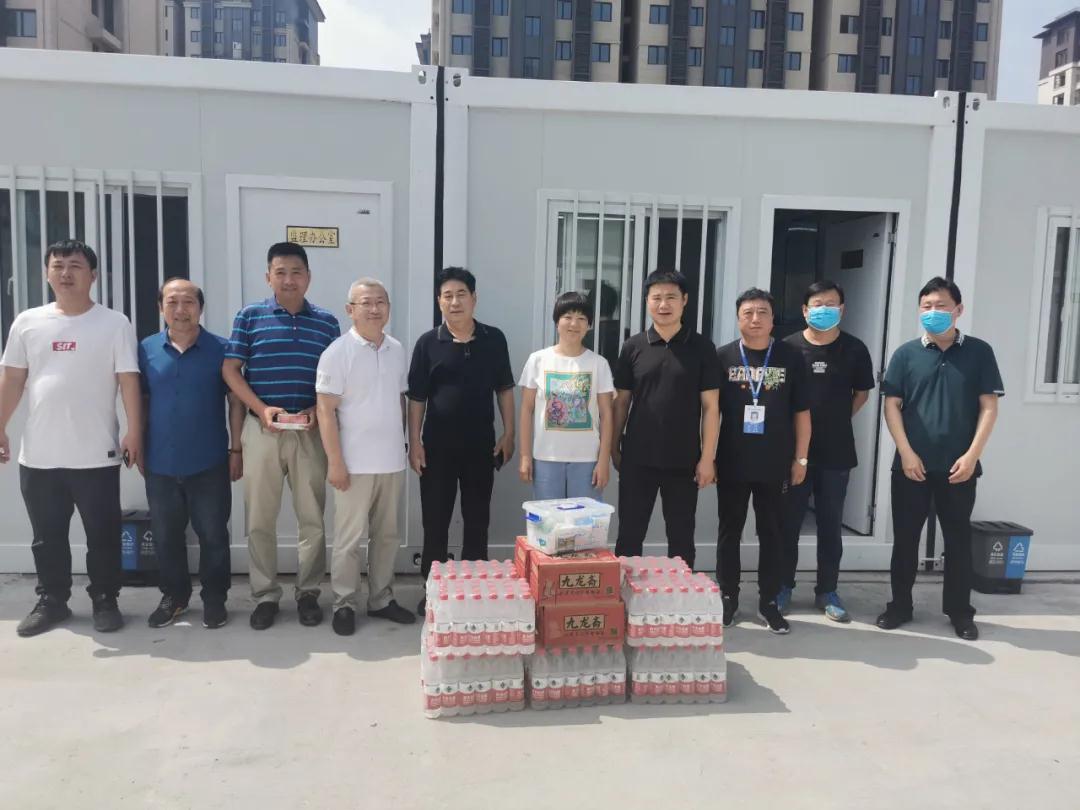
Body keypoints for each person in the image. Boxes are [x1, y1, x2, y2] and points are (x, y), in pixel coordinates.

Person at [0, 240, 141, 636]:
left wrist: (134, 430)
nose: (65, 273)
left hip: (96, 454)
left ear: (92, 275)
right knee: (47, 538)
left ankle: (105, 599)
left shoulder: (114, 323)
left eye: (75, 266)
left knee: (103, 536)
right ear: (46, 273)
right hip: (40, 455)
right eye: (58, 265)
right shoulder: (28, 322)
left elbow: (128, 380)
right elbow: (13, 379)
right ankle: (53, 601)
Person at [876, 277, 1003, 641]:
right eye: (926, 306)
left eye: (941, 306)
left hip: (958, 468)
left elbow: (989, 406)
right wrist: (906, 452)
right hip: (911, 467)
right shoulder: (905, 354)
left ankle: (960, 612)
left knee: (958, 541)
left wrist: (972, 455)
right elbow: (892, 405)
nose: (933, 312)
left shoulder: (979, 352)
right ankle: (900, 606)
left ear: (958, 310)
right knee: (905, 540)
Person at [223, 242, 340, 630]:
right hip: (263, 430)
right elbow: (231, 371)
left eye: (296, 272)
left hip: (310, 432)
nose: (289, 280)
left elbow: (335, 379)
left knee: (312, 519)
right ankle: (265, 595)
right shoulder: (249, 317)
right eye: (280, 272)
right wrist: (261, 409)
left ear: (308, 277)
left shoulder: (327, 323)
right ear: (268, 277)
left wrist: (316, 410)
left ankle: (308, 593)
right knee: (260, 518)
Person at [408, 267, 515, 616]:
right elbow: (417, 398)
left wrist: (509, 433)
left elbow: (504, 389)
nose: (454, 302)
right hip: (436, 449)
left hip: (481, 447)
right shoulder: (427, 343)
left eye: (461, 294)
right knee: (435, 522)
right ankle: (432, 590)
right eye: (447, 296)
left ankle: (474, 588)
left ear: (474, 298)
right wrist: (415, 442)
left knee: (477, 520)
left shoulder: (494, 339)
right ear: (439, 301)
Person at [139, 278, 245, 630]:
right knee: (166, 535)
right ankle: (175, 597)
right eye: (172, 302)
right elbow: (140, 400)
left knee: (213, 534)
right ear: (161, 308)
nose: (180, 310)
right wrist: (137, 441)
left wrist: (236, 448)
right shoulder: (146, 349)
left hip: (209, 460)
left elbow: (235, 402)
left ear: (200, 308)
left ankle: (215, 598)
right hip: (160, 462)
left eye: (188, 302)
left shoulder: (222, 349)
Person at [316, 278, 415, 636]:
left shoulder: (397, 349)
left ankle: (381, 599)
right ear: (350, 310)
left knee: (387, 536)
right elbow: (325, 411)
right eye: (366, 303)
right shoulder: (337, 352)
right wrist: (335, 462)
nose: (374, 309)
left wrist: (404, 442)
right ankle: (344, 603)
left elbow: (399, 399)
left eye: (380, 302)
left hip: (391, 461)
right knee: (348, 539)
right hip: (353, 465)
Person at [715, 288, 810, 635]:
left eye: (762, 312)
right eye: (748, 313)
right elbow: (709, 413)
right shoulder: (723, 357)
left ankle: (769, 602)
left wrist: (801, 458)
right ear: (738, 318)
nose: (755, 319)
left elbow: (802, 413)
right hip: (733, 461)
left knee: (773, 533)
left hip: (775, 463)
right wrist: (708, 457)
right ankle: (728, 597)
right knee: (729, 532)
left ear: (772, 319)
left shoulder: (790, 357)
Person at [779, 280, 875, 623]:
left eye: (831, 304)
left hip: (836, 451)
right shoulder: (788, 348)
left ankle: (827, 591)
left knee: (831, 524)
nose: (824, 309)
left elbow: (862, 393)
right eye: (817, 304)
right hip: (792, 452)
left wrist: (837, 418)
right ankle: (783, 586)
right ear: (805, 310)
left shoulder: (854, 349)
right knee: (787, 523)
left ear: (842, 310)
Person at [612, 269, 721, 569]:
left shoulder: (702, 348)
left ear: (684, 300)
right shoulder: (633, 347)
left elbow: (711, 407)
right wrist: (613, 446)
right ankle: (625, 593)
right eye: (656, 297)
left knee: (682, 538)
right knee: (629, 535)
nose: (663, 304)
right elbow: (621, 402)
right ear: (647, 302)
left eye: (671, 297)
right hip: (638, 457)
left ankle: (682, 594)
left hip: (684, 460)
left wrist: (707, 458)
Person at [518, 291, 615, 501]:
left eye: (581, 318)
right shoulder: (538, 360)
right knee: (548, 520)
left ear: (589, 325)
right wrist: (525, 455)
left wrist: (603, 461)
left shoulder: (599, 364)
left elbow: (607, 415)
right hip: (546, 458)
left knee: (584, 520)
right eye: (567, 317)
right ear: (557, 321)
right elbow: (526, 409)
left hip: (587, 460)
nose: (574, 324)